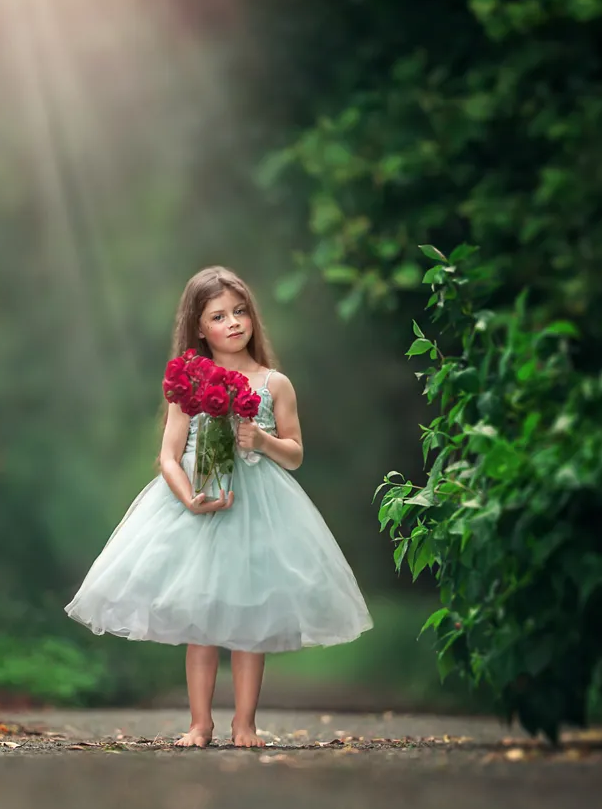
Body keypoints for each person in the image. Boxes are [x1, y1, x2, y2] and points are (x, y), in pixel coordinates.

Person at [65, 265, 373, 748]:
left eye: (240, 311)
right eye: (218, 316)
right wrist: (187, 495)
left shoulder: (274, 383)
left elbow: (295, 453)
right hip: (199, 503)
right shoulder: (188, 380)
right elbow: (169, 454)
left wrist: (264, 440)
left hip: (258, 508)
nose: (233, 322)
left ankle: (244, 723)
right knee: (200, 616)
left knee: (250, 620)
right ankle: (199, 722)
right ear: (199, 326)